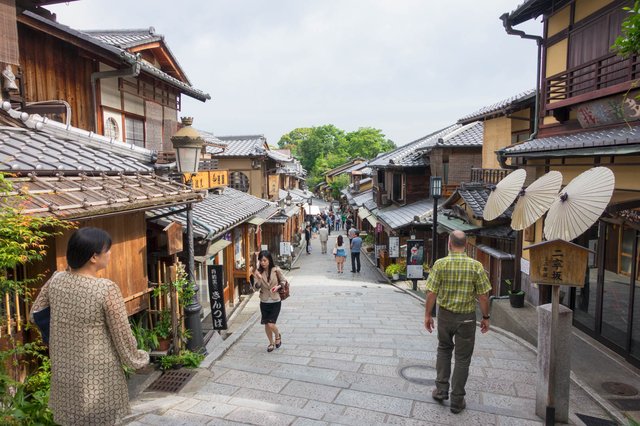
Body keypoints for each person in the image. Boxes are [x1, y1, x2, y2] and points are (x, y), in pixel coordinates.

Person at [30, 227, 149, 425]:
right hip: (99, 381)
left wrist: (60, 333)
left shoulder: (56, 280)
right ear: (94, 257)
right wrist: (138, 359)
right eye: (107, 250)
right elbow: (122, 335)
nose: (110, 254)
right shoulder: (105, 289)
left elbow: (35, 314)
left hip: (65, 375)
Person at [424, 230, 492, 414]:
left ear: (449, 244)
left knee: (444, 350)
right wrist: (486, 317)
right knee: (462, 359)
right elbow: (483, 297)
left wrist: (428, 315)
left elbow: (431, 293)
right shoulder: (476, 266)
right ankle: (457, 400)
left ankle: (440, 390)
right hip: (467, 318)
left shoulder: (440, 264)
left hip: (445, 316)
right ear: (466, 244)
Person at [251, 250, 286, 352]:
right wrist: (258, 279)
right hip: (264, 301)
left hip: (275, 301)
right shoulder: (258, 272)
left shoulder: (276, 270)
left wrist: (278, 286)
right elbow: (256, 288)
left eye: (265, 260)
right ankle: (271, 343)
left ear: (269, 260)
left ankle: (277, 335)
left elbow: (284, 281)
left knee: (271, 324)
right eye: (261, 260)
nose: (263, 263)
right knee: (266, 324)